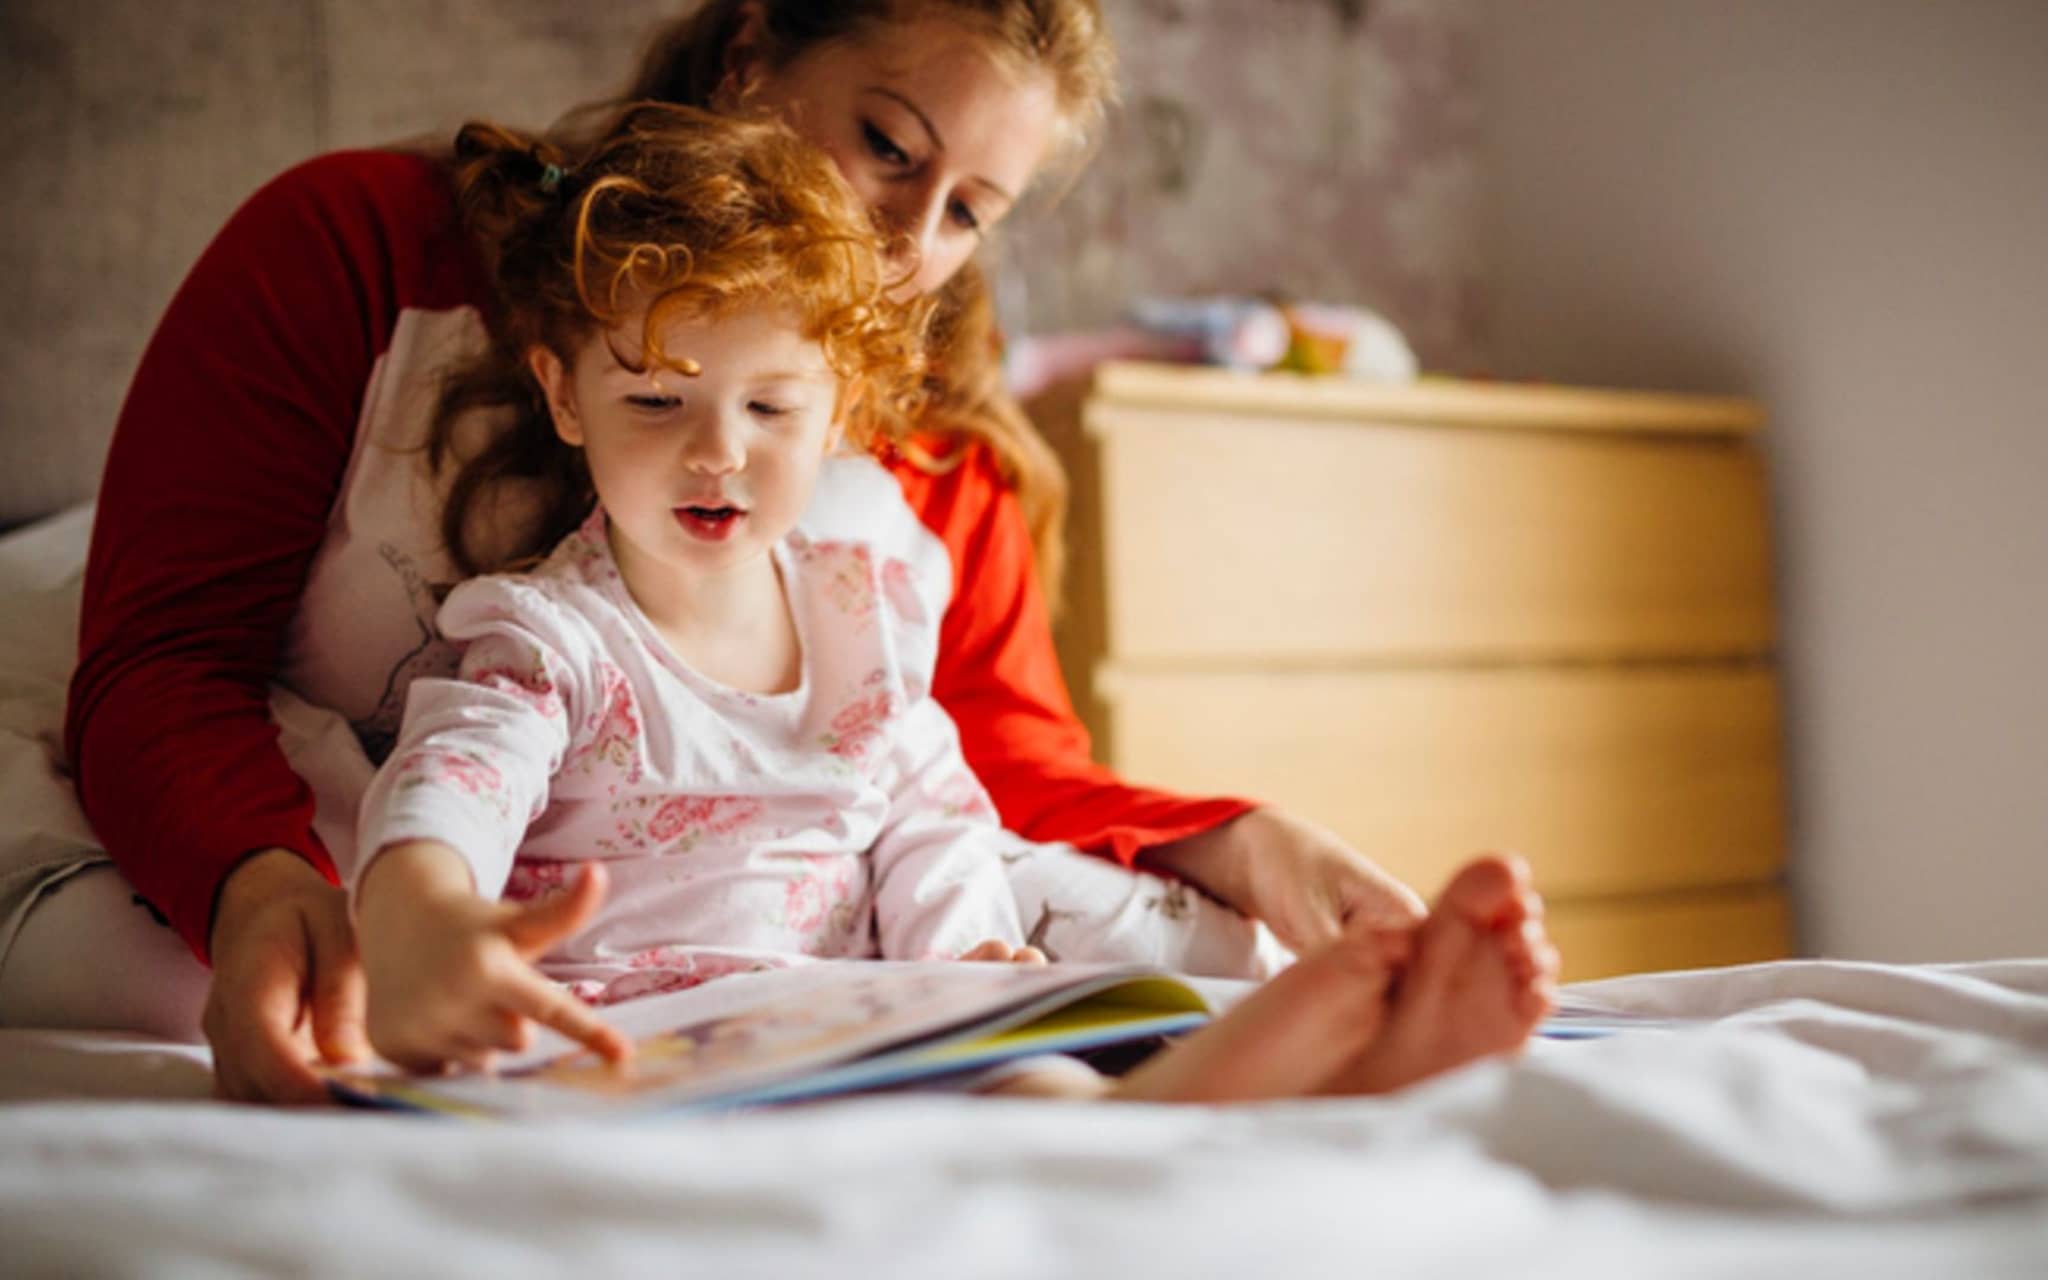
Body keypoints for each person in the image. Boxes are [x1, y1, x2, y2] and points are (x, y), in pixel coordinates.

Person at [7, 0, 1425, 1104]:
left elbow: (969, 759)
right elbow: (164, 655)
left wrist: (1241, 844)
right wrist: (261, 889)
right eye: (889, 146)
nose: (908, 246)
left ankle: (1257, 1056)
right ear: (752, 55)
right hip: (318, 831)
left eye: (970, 211)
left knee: (1118, 923)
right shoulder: (358, 251)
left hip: (744, 882)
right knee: (182, 973)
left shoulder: (915, 464)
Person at [349, 103, 1559, 1096]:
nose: (715, 452)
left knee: (1025, 1073)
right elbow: (452, 784)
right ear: (565, 398)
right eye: (656, 403)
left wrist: (967, 960)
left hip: (865, 1015)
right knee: (1039, 1109)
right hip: (649, 1036)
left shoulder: (856, 607)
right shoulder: (549, 638)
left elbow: (928, 817)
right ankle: (1239, 1097)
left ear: (837, 411)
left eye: (769, 409)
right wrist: (422, 922)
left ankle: (1309, 1082)